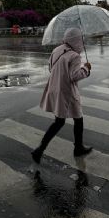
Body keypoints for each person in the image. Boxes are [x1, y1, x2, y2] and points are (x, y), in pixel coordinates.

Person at [32, 28, 92, 164]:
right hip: (67, 92)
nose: (82, 42)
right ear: (76, 40)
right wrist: (86, 68)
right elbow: (74, 76)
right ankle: (42, 150)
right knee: (76, 119)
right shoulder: (75, 56)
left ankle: (42, 149)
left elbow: (50, 67)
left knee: (61, 121)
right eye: (81, 39)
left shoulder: (57, 50)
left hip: (55, 88)